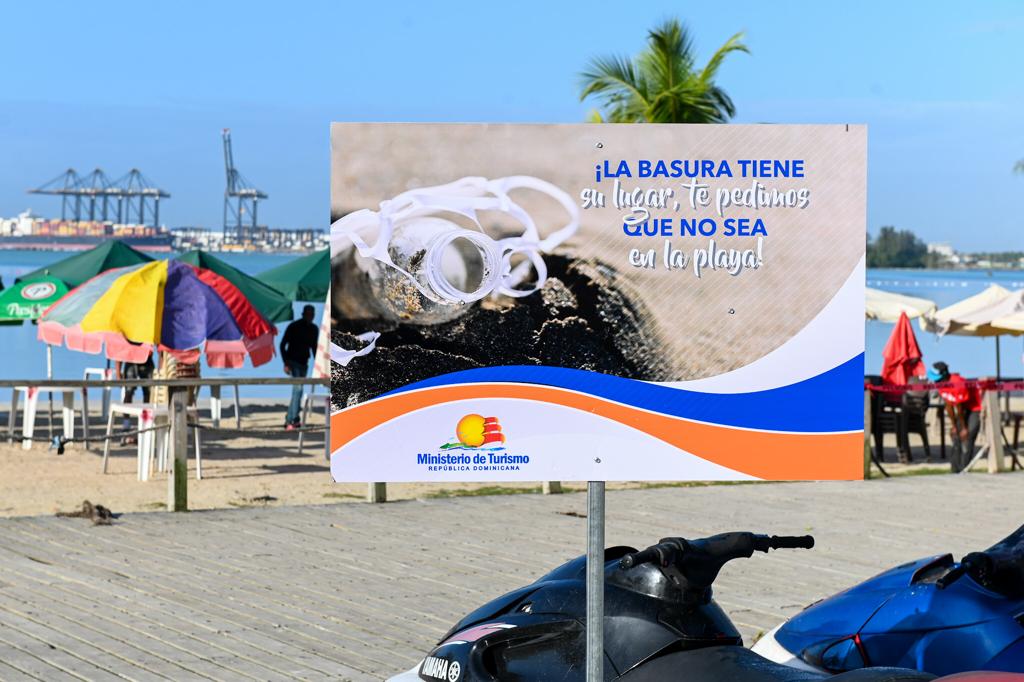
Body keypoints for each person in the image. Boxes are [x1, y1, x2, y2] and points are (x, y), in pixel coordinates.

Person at [929, 361, 982, 473]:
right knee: (955, 436)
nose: (935, 381)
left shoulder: (957, 383)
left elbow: (959, 407)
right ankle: (954, 470)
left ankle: (964, 470)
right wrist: (953, 426)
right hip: (963, 409)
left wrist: (964, 428)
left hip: (975, 408)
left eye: (937, 379)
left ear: (944, 375)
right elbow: (949, 405)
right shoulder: (941, 384)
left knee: (967, 436)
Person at [280, 304, 319, 429]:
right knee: (298, 390)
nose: (310, 316)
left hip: (304, 364)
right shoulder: (294, 326)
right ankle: (293, 420)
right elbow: (282, 345)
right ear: (303, 314)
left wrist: (319, 365)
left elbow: (314, 348)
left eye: (312, 314)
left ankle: (289, 419)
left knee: (297, 392)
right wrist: (286, 363)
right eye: (308, 314)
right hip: (293, 363)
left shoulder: (314, 329)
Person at [116, 347, 154, 445]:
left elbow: (159, 348)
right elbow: (119, 346)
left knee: (149, 393)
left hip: (146, 358)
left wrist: (161, 370)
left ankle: (146, 423)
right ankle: (126, 425)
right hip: (130, 358)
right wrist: (118, 373)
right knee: (129, 392)